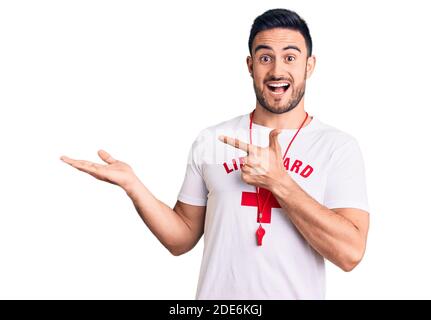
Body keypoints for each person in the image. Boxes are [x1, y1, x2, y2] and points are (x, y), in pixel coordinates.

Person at [60, 8, 370, 299]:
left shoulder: (337, 147)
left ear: (309, 66)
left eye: (290, 57)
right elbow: (180, 239)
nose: (277, 70)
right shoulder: (212, 140)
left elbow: (350, 254)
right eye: (265, 58)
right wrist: (133, 186)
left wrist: (280, 182)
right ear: (250, 65)